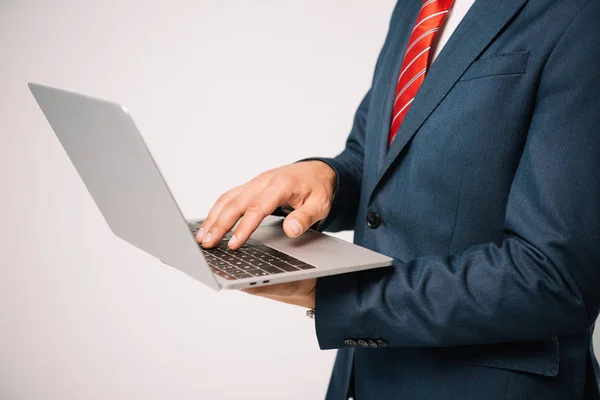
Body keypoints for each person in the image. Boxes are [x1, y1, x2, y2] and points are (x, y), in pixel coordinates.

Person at [196, 0, 600, 398]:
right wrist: (328, 176)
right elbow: (380, 158)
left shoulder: (581, 14)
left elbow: (555, 276)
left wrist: (339, 294)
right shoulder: (415, 7)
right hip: (364, 376)